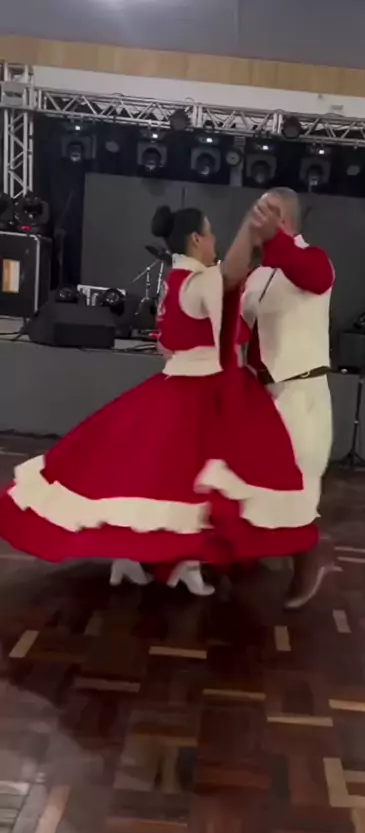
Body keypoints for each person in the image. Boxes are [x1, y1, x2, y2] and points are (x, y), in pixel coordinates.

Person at [0, 200, 318, 593]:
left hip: (174, 385)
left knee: (155, 481)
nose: (214, 241)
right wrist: (249, 233)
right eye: (210, 234)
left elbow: (168, 344)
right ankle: (181, 562)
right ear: (197, 239)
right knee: (192, 484)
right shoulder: (199, 282)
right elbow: (231, 276)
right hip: (198, 392)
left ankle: (138, 560)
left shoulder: (174, 282)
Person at [242, 187, 335, 609]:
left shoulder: (314, 259)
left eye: (269, 211)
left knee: (299, 483)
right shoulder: (257, 276)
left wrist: (274, 241)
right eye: (257, 210)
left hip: (301, 390)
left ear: (286, 220)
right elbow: (240, 326)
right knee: (250, 477)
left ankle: (309, 563)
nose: (258, 217)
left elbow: (309, 275)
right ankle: (247, 552)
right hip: (260, 392)